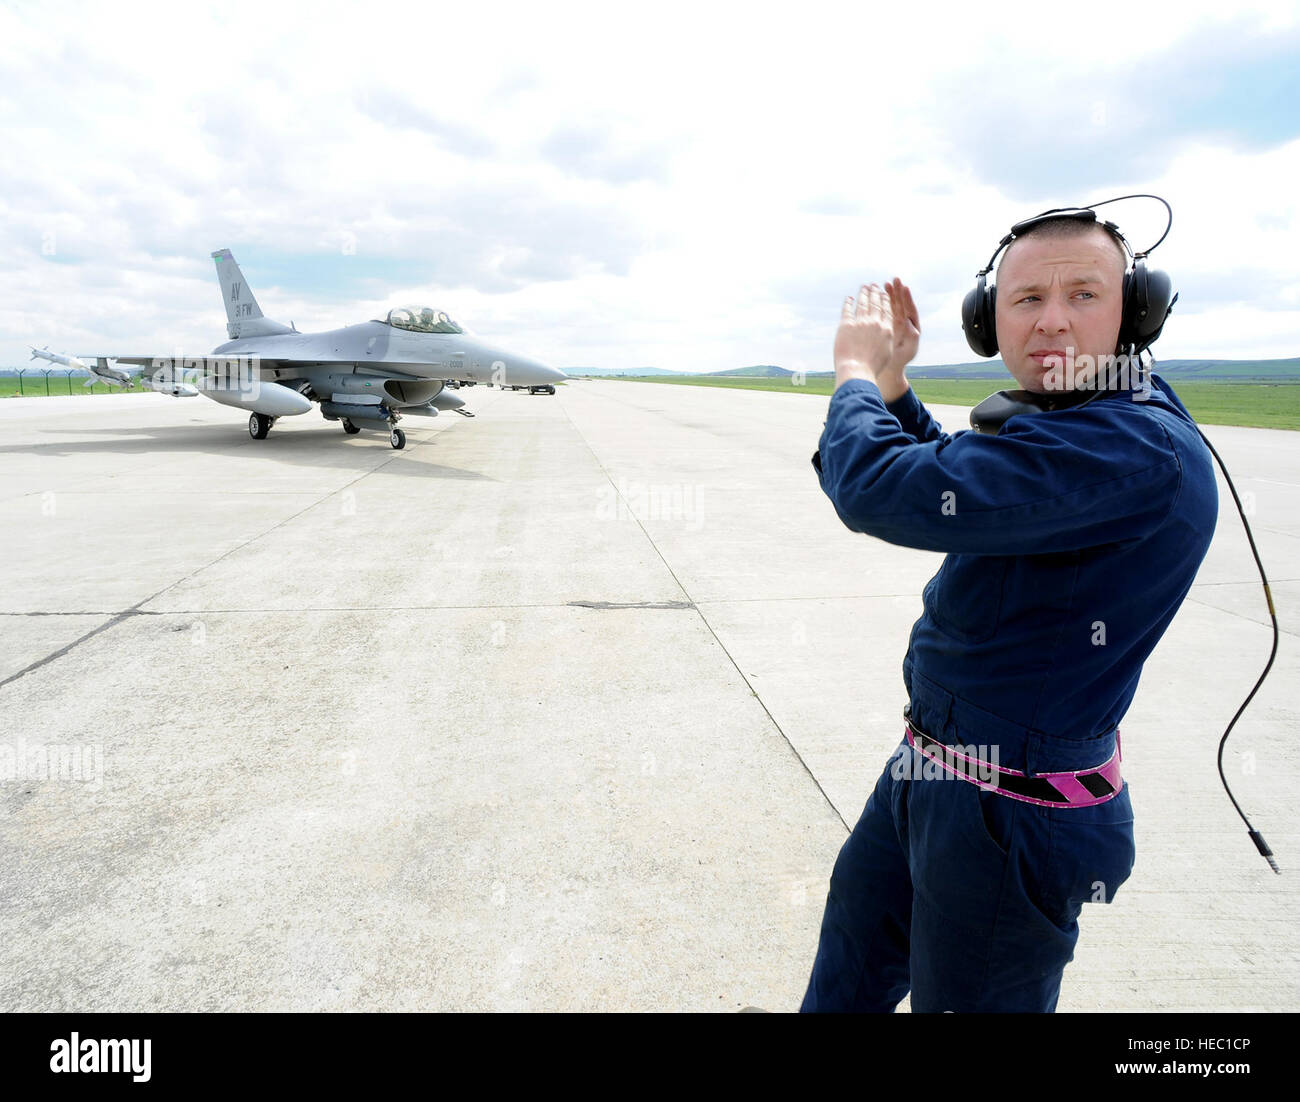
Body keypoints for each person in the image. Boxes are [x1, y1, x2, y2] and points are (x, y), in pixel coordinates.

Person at [800, 215, 1218, 1012]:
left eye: (1082, 294)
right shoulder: (1082, 422)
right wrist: (891, 391)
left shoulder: (1131, 445)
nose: (1051, 318)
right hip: (931, 768)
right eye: (1026, 297)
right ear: (991, 321)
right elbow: (968, 486)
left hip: (1010, 813)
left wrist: (852, 373)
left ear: (1134, 312)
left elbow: (885, 490)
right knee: (847, 976)